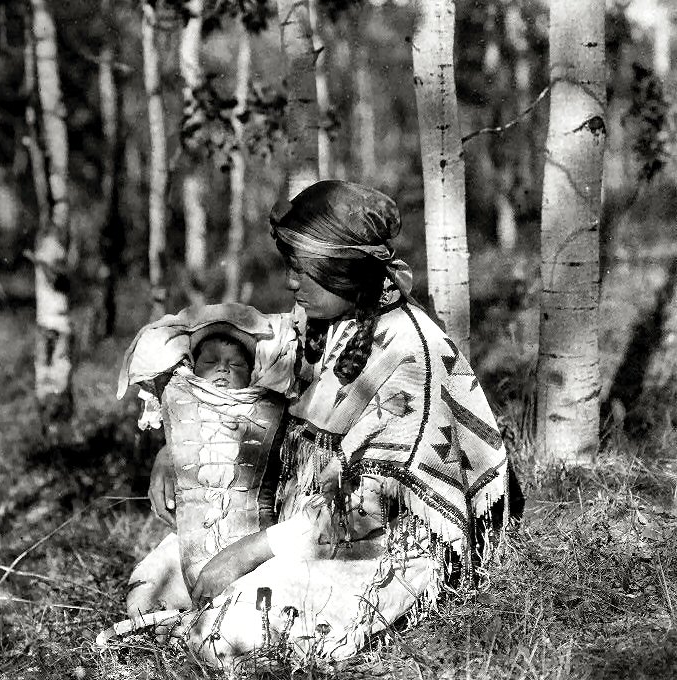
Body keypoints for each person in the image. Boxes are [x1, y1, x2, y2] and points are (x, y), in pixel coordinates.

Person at [140, 181, 517, 669]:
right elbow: (201, 341)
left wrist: (248, 552)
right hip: (302, 529)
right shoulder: (322, 328)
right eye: (291, 269)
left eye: (303, 272)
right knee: (153, 587)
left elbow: (374, 511)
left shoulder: (411, 357)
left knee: (227, 631)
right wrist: (174, 449)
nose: (291, 284)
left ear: (341, 272)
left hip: (383, 551)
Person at [113, 305, 298, 621]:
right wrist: (165, 453)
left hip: (255, 551)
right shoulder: (182, 396)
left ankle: (199, 626)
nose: (223, 369)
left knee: (256, 611)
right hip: (190, 546)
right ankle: (185, 622)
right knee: (142, 594)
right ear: (193, 370)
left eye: (235, 364)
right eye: (211, 362)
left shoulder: (268, 404)